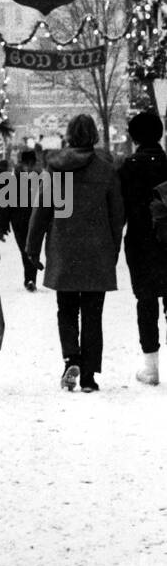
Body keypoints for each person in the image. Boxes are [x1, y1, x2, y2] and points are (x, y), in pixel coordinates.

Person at [27, 113, 124, 394]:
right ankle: (90, 375)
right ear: (94, 135)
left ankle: (72, 357)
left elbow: (41, 211)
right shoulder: (106, 169)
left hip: (63, 249)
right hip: (97, 251)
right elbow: (117, 215)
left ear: (68, 135)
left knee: (66, 309)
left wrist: (32, 249)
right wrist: (113, 247)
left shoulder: (54, 168)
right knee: (93, 314)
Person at [118, 110, 167, 385]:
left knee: (146, 301)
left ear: (134, 137)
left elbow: (119, 210)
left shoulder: (129, 167)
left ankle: (151, 367)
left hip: (140, 243)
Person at [0, 148, 41, 291]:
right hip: (27, 219)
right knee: (29, 249)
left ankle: (30, 278)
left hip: (23, 220)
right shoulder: (35, 175)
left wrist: (3, 224)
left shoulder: (16, 176)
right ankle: (30, 278)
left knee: (27, 249)